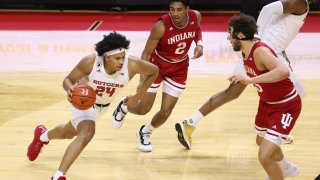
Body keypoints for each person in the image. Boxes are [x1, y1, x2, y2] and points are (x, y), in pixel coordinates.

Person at [175, 0, 312, 150]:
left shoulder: (299, 4)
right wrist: (258, 37)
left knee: (232, 93)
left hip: (267, 50)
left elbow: (278, 28)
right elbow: (267, 9)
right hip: (262, 50)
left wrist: (277, 48)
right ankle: (277, 133)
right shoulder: (300, 2)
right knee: (294, 93)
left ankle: (190, 123)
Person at [27, 32, 159, 180]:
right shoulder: (90, 62)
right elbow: (68, 80)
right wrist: (70, 89)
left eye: (123, 56)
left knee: (69, 132)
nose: (121, 61)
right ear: (107, 57)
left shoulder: (131, 65)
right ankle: (59, 176)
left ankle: (43, 136)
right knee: (87, 132)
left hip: (103, 106)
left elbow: (154, 71)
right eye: (117, 58)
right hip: (83, 101)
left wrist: (137, 97)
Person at [111, 0, 203, 152]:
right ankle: (124, 106)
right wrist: (142, 81)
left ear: (187, 9)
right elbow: (146, 53)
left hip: (179, 68)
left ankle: (145, 132)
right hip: (157, 66)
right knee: (143, 109)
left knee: (166, 112)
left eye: (179, 10)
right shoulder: (161, 26)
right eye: (171, 9)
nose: (174, 13)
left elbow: (196, 29)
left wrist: (199, 43)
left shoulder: (196, 16)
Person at [227, 14, 302, 180]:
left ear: (240, 35)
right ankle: (285, 167)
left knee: (264, 156)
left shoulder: (259, 50)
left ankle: (279, 174)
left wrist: (249, 80)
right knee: (261, 141)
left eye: (230, 33)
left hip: (286, 105)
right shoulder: (245, 52)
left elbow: (283, 71)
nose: (228, 38)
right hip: (266, 104)